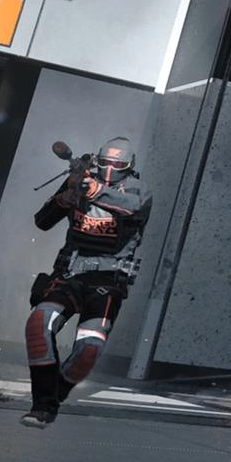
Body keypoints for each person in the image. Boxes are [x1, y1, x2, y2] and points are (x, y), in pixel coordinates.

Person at [22, 137, 149, 428]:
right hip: (69, 272)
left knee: (89, 349)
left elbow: (131, 207)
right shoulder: (79, 182)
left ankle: (55, 395)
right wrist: (65, 197)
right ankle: (42, 406)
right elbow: (42, 221)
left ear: (129, 166)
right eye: (105, 162)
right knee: (38, 325)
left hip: (108, 280)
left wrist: (94, 190)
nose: (110, 168)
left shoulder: (137, 190)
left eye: (118, 164)